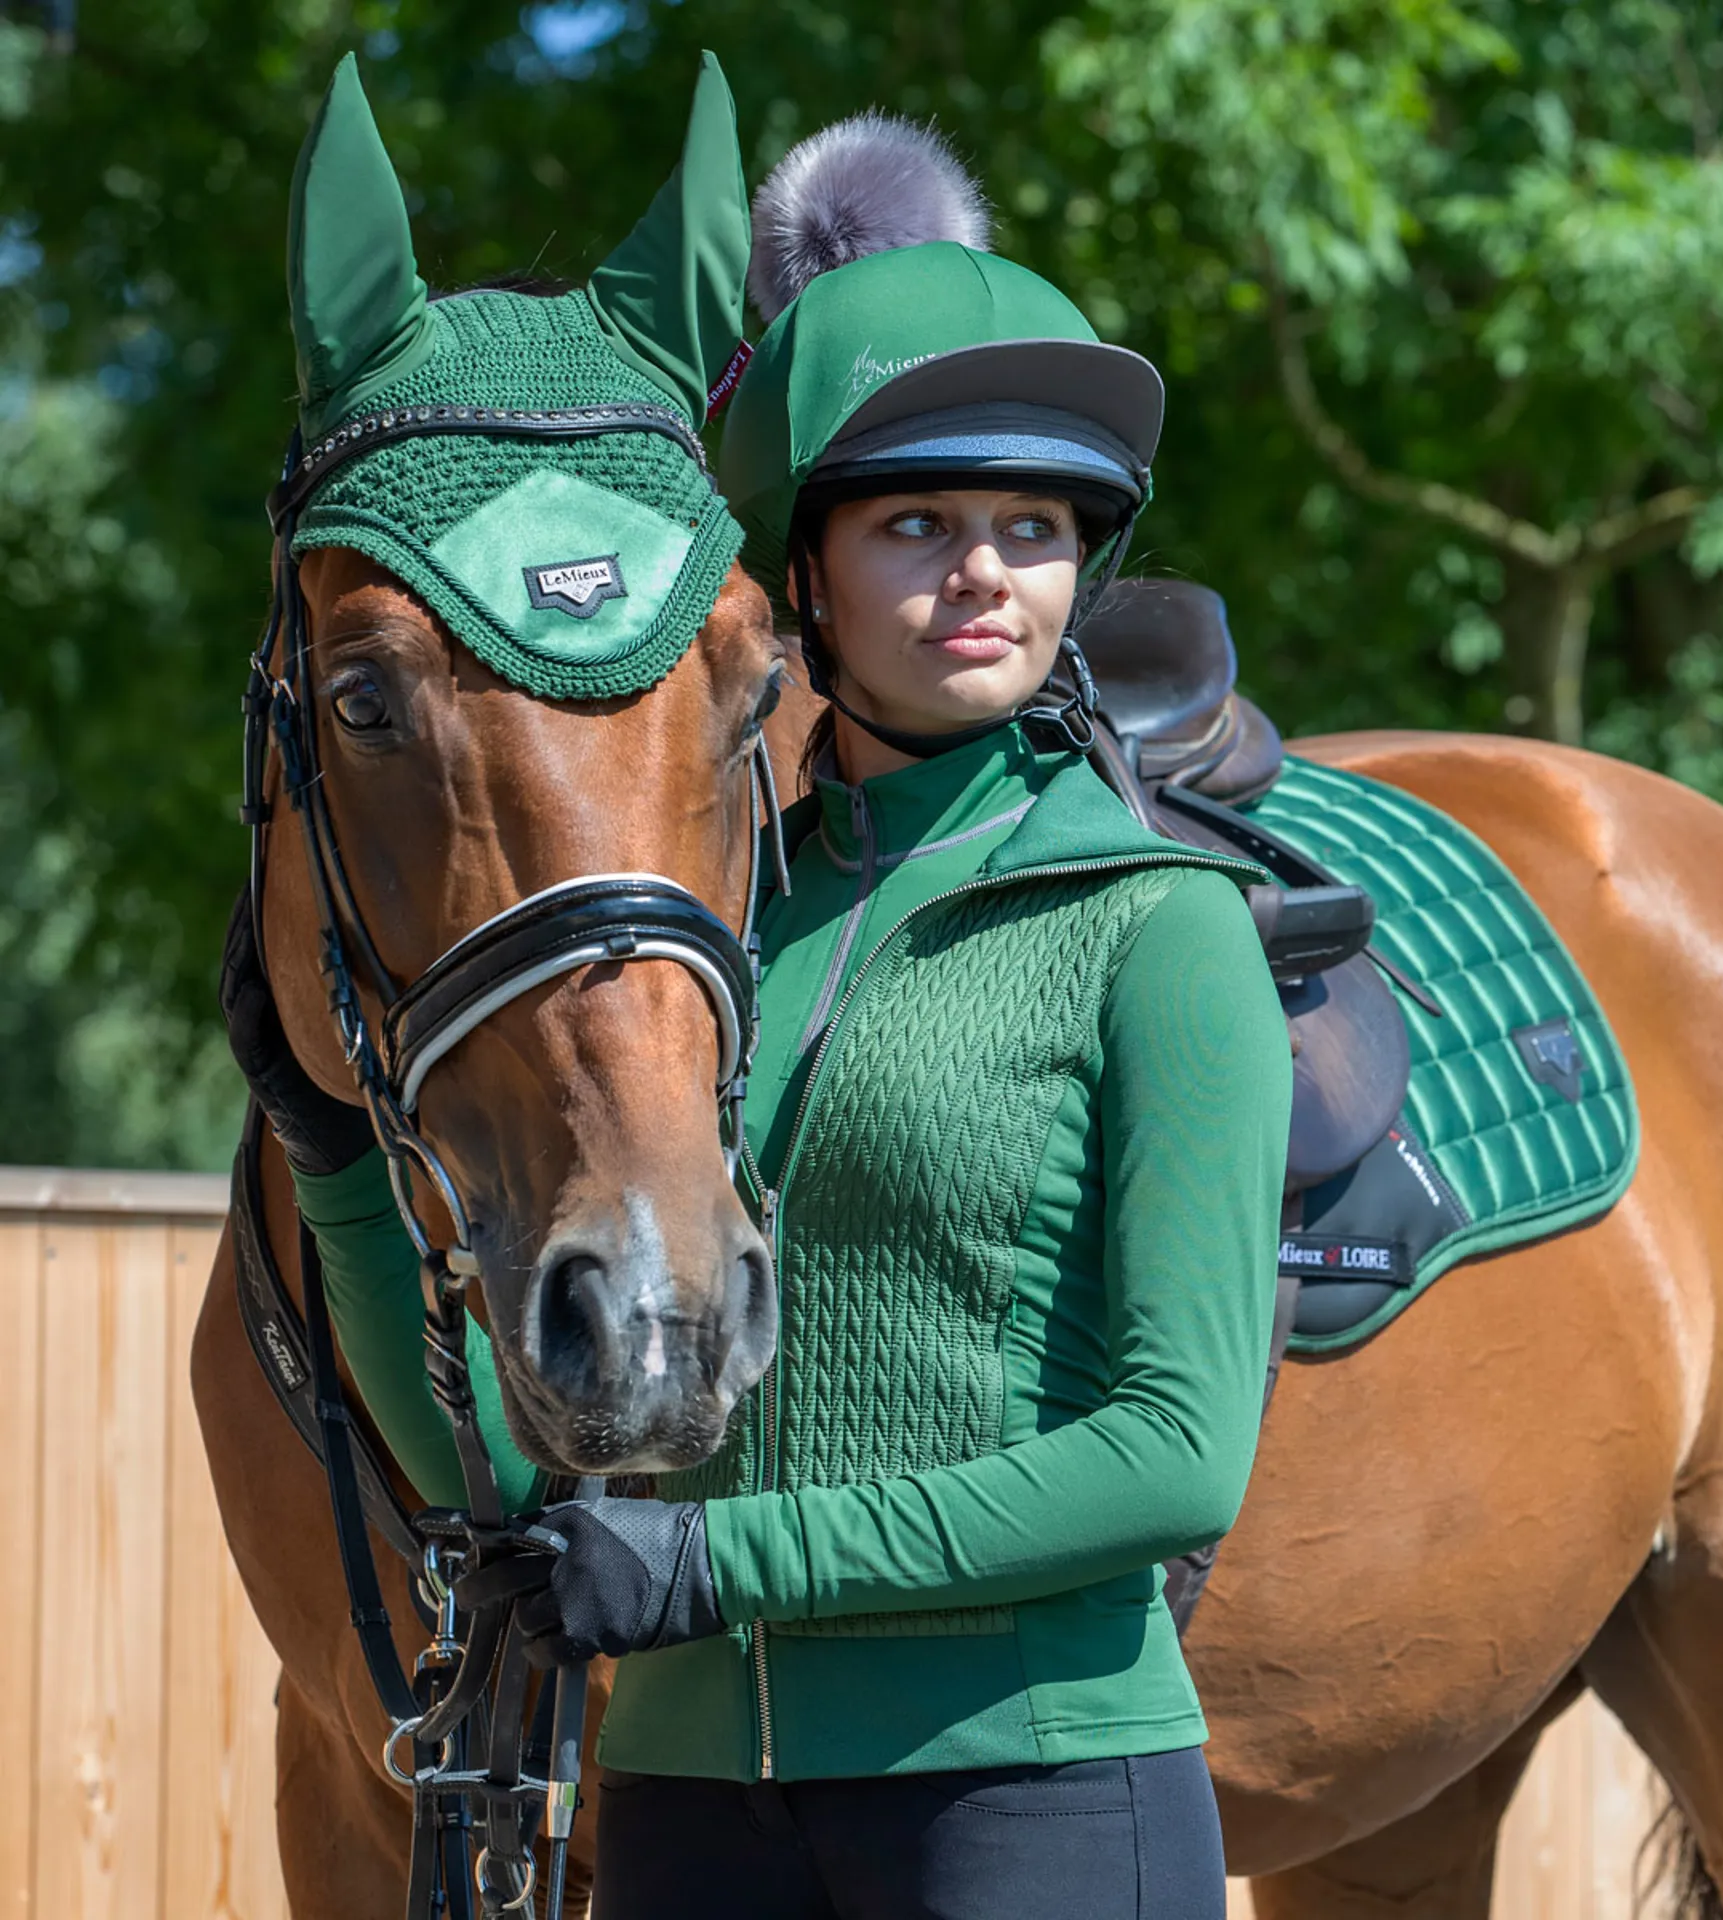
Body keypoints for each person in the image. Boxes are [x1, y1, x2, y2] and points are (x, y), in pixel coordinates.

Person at [225, 111, 1291, 1920]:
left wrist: (718, 1567)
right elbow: (482, 1463)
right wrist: (330, 1153)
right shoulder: (710, 951)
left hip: (1027, 1799)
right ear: (805, 576)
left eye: (1035, 528)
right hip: (694, 1810)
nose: (982, 574)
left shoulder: (1159, 925)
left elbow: (1178, 1457)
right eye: (918, 525)